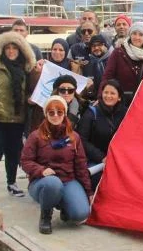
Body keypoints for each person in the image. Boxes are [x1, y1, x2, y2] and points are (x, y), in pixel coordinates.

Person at [21, 95, 92, 234]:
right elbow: (25, 161)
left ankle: (65, 205)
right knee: (53, 184)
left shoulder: (74, 137)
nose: (55, 116)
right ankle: (45, 216)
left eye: (59, 112)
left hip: (68, 180)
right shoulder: (35, 136)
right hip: (43, 182)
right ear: (46, 114)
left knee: (80, 214)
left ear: (64, 114)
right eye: (51, 112)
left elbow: (81, 166)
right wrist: (41, 170)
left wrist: (88, 191)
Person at [0, 31, 36, 201]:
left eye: (15, 48)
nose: (11, 51)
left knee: (13, 153)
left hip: (16, 118)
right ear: (2, 50)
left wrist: (29, 100)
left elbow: (27, 91)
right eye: (8, 48)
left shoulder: (24, 70)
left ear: (21, 50)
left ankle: (11, 183)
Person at [77, 79, 127, 190]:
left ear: (119, 97)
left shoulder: (126, 113)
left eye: (112, 93)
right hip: (96, 161)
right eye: (106, 92)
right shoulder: (92, 112)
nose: (108, 96)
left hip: (118, 160)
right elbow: (82, 140)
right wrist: (101, 157)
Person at [102, 22, 143, 104]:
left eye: (141, 35)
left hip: (142, 102)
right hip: (119, 102)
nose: (137, 37)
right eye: (134, 33)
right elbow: (107, 76)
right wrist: (101, 97)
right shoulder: (118, 52)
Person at [71, 33, 111, 100]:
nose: (96, 48)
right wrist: (86, 88)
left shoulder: (113, 62)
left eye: (99, 45)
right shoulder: (85, 64)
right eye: (93, 46)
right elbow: (79, 87)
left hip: (109, 100)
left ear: (106, 45)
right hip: (90, 102)